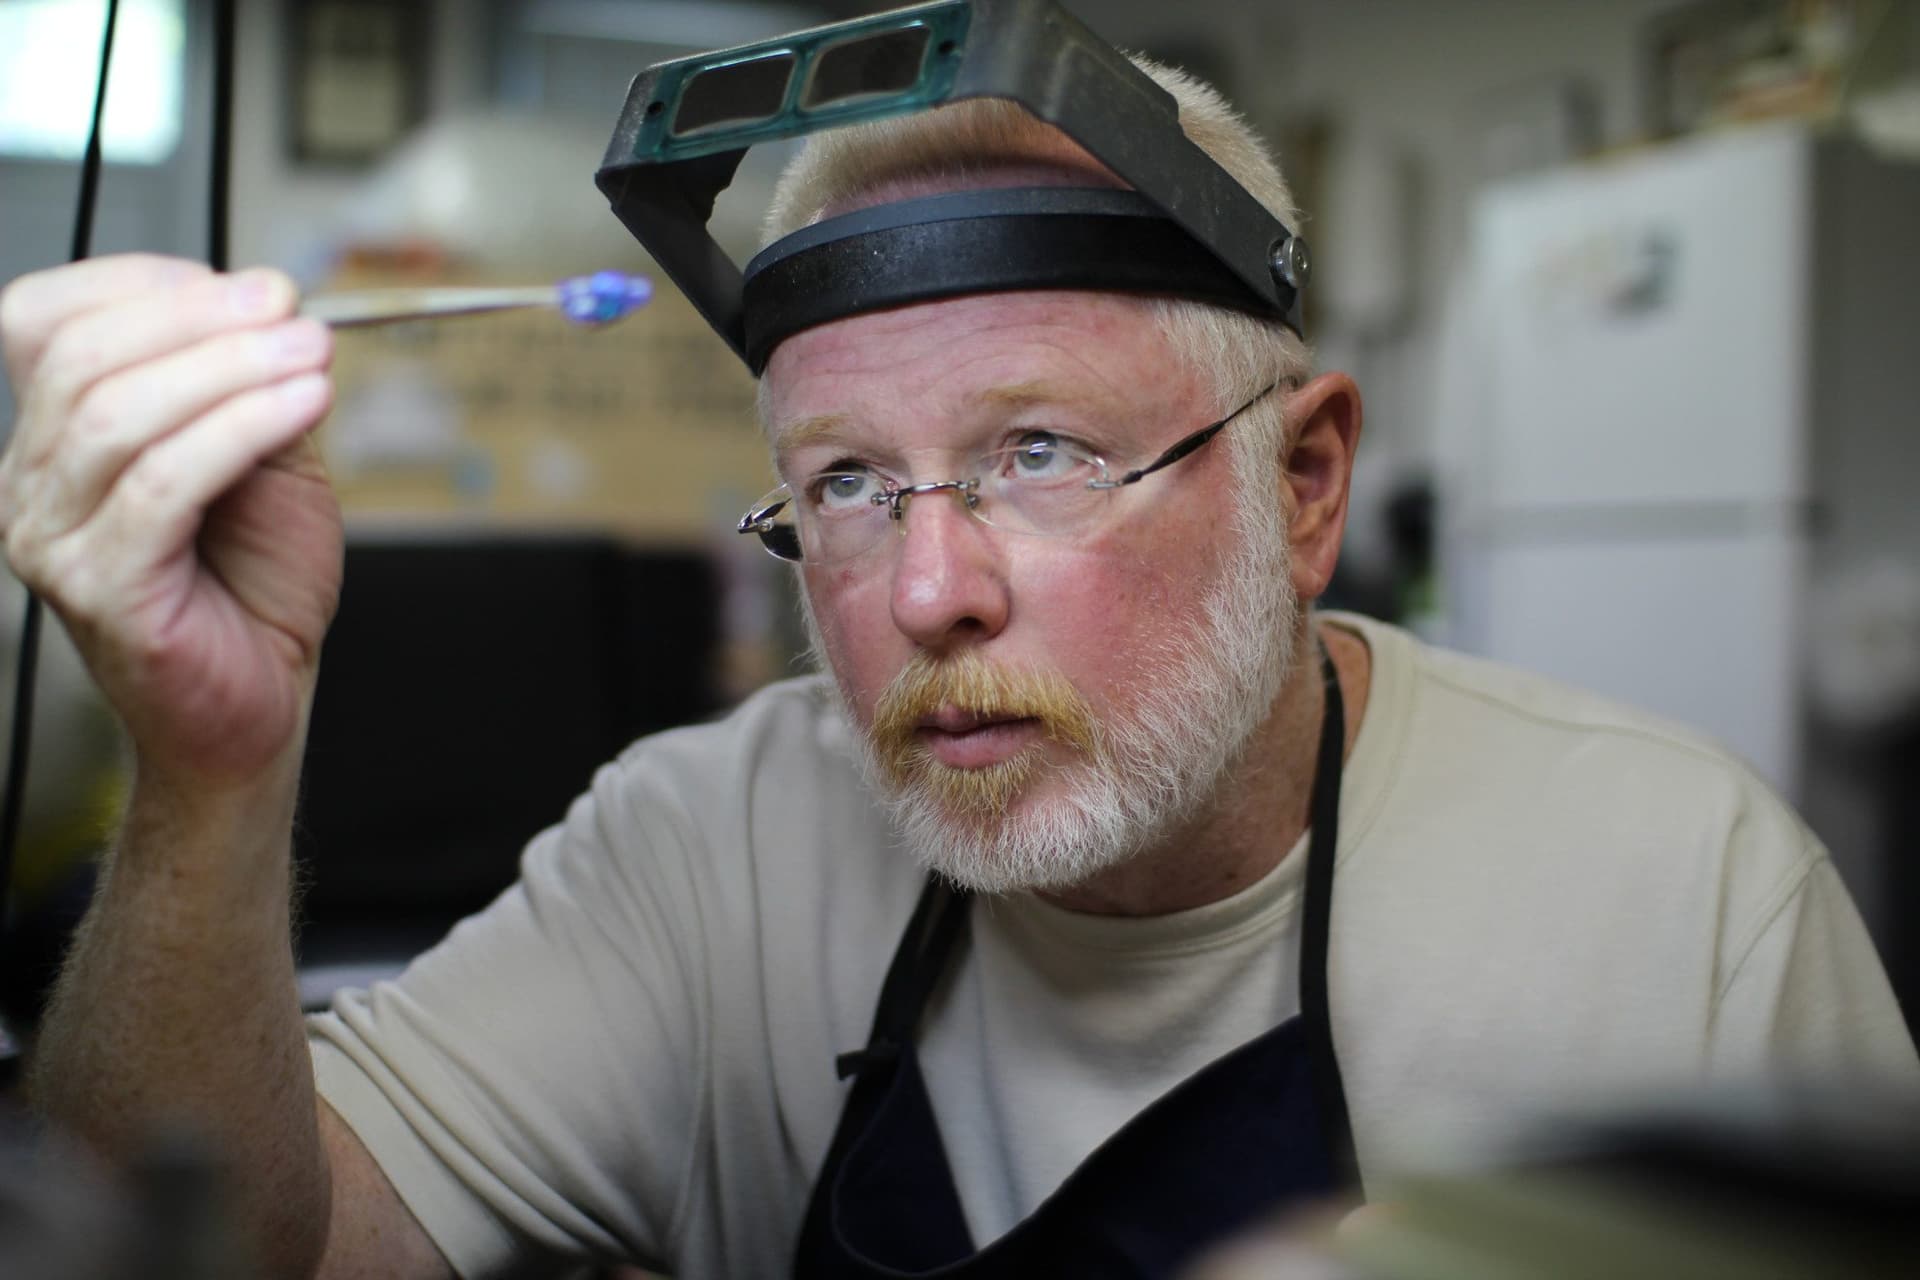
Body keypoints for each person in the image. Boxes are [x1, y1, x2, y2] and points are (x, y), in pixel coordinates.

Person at [2, 33, 1915, 1280]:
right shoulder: (706, 850)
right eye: (846, 483)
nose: (927, 593)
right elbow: (220, 1253)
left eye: (1041, 453)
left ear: (1306, 483)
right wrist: (208, 779)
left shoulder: (1675, 901)